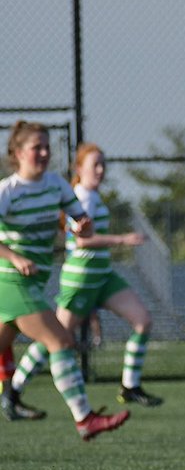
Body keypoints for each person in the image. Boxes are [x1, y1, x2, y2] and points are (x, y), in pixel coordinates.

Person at [0, 121, 129, 438]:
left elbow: (79, 223)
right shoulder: (8, 191)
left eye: (47, 147)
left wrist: (81, 228)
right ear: (17, 153)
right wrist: (15, 257)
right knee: (61, 341)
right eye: (36, 148)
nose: (44, 153)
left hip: (33, 282)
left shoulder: (56, 185)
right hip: (9, 281)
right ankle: (85, 419)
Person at [12, 142, 163, 406]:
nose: (101, 170)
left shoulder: (92, 195)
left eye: (104, 164)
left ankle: (130, 385)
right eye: (96, 164)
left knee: (142, 320)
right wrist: (122, 239)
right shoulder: (82, 196)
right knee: (54, 338)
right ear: (80, 169)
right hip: (81, 278)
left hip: (103, 276)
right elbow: (80, 241)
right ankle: (13, 391)